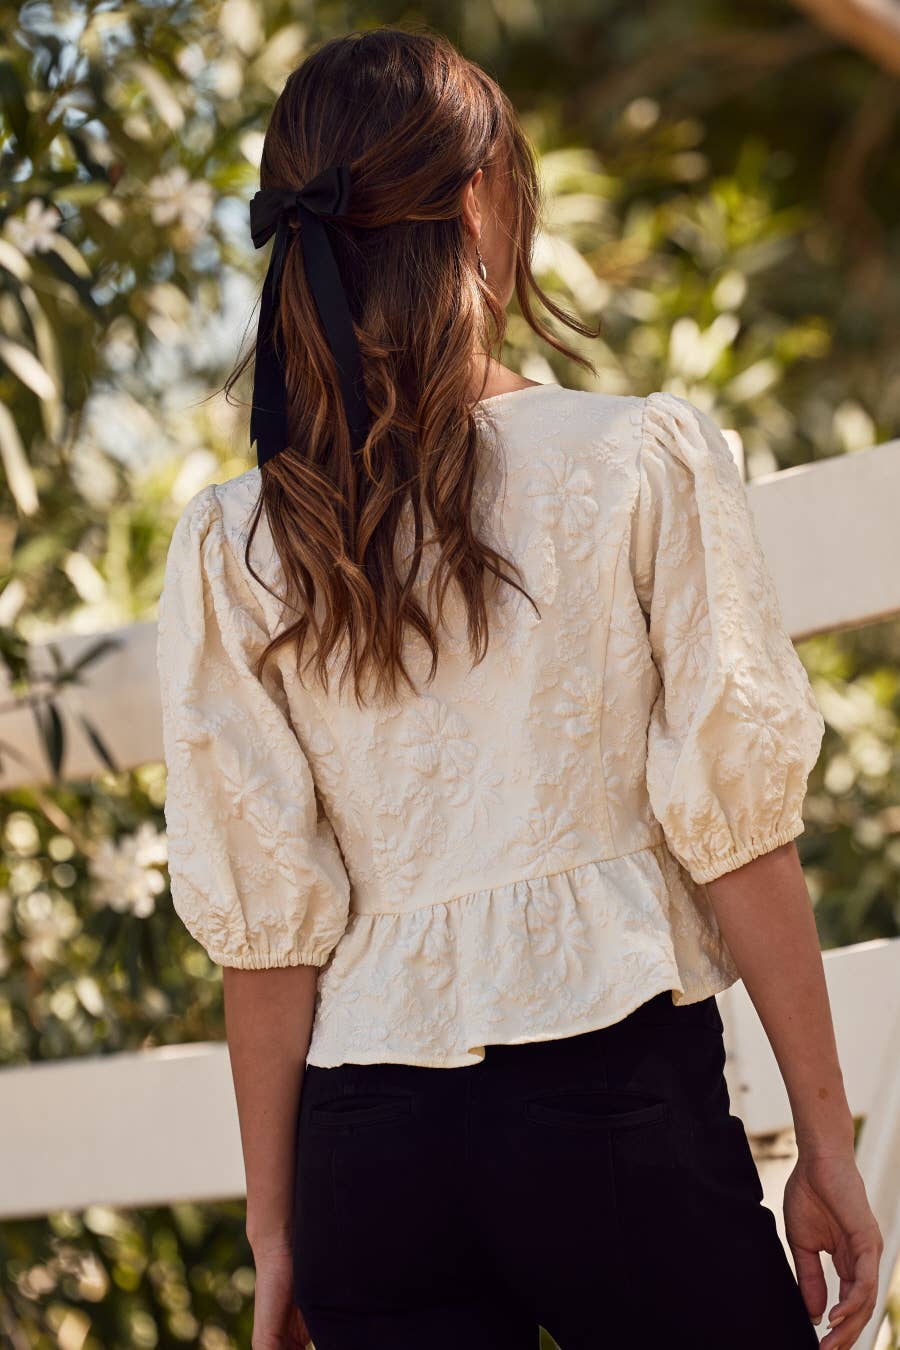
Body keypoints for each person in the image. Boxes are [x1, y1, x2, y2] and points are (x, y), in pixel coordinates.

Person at [155, 25, 883, 1350]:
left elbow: (267, 936)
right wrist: (824, 1145)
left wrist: (280, 1230)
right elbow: (738, 831)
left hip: (364, 1152)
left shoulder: (232, 543)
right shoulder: (636, 459)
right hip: (612, 1109)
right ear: (485, 208)